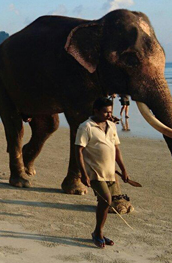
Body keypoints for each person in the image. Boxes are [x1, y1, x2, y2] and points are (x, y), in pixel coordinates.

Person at [75, 97, 130, 249]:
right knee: (105, 199)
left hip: (110, 172)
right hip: (94, 172)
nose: (108, 115)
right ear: (96, 111)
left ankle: (98, 232)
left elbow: (116, 149)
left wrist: (124, 169)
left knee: (105, 203)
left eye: (110, 112)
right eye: (105, 112)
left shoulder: (111, 126)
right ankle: (98, 233)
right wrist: (83, 174)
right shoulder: (85, 127)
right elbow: (78, 151)